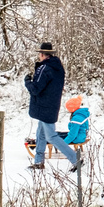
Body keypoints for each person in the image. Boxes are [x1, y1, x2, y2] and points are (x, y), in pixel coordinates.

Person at [24, 41, 78, 171]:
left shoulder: (44, 68)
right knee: (40, 134)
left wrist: (27, 82)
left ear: (42, 55)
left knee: (51, 136)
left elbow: (36, 89)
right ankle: (38, 162)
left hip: (44, 106)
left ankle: (76, 159)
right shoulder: (57, 68)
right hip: (52, 105)